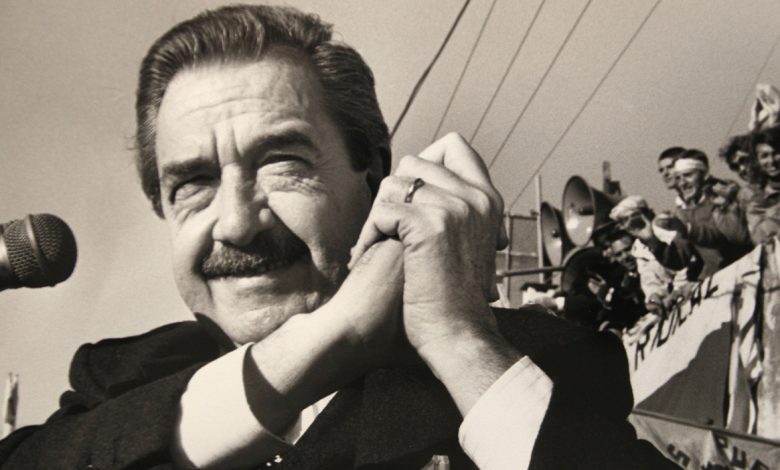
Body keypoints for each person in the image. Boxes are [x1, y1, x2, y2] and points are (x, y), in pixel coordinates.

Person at [0, 5, 676, 469]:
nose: (235, 222)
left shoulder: (525, 362)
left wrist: (460, 343)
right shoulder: (118, 383)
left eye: (281, 163)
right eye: (194, 183)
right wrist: (327, 341)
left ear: (373, 178)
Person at [648, 150, 752, 279]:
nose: (682, 183)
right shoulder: (682, 211)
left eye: (688, 175)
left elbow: (735, 237)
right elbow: (681, 258)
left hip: (747, 269)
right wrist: (650, 240)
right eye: (678, 178)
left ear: (705, 174)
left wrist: (688, 229)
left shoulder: (723, 194)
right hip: (723, 279)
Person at [609, 196, 692, 316]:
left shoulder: (665, 229)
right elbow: (649, 278)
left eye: (629, 219)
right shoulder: (638, 248)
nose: (627, 226)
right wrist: (654, 296)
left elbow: (684, 262)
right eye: (622, 222)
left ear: (643, 214)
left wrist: (676, 290)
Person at [745, 125, 780, 244]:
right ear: (757, 161)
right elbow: (760, 238)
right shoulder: (758, 203)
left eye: (776, 153)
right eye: (764, 156)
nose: (771, 161)